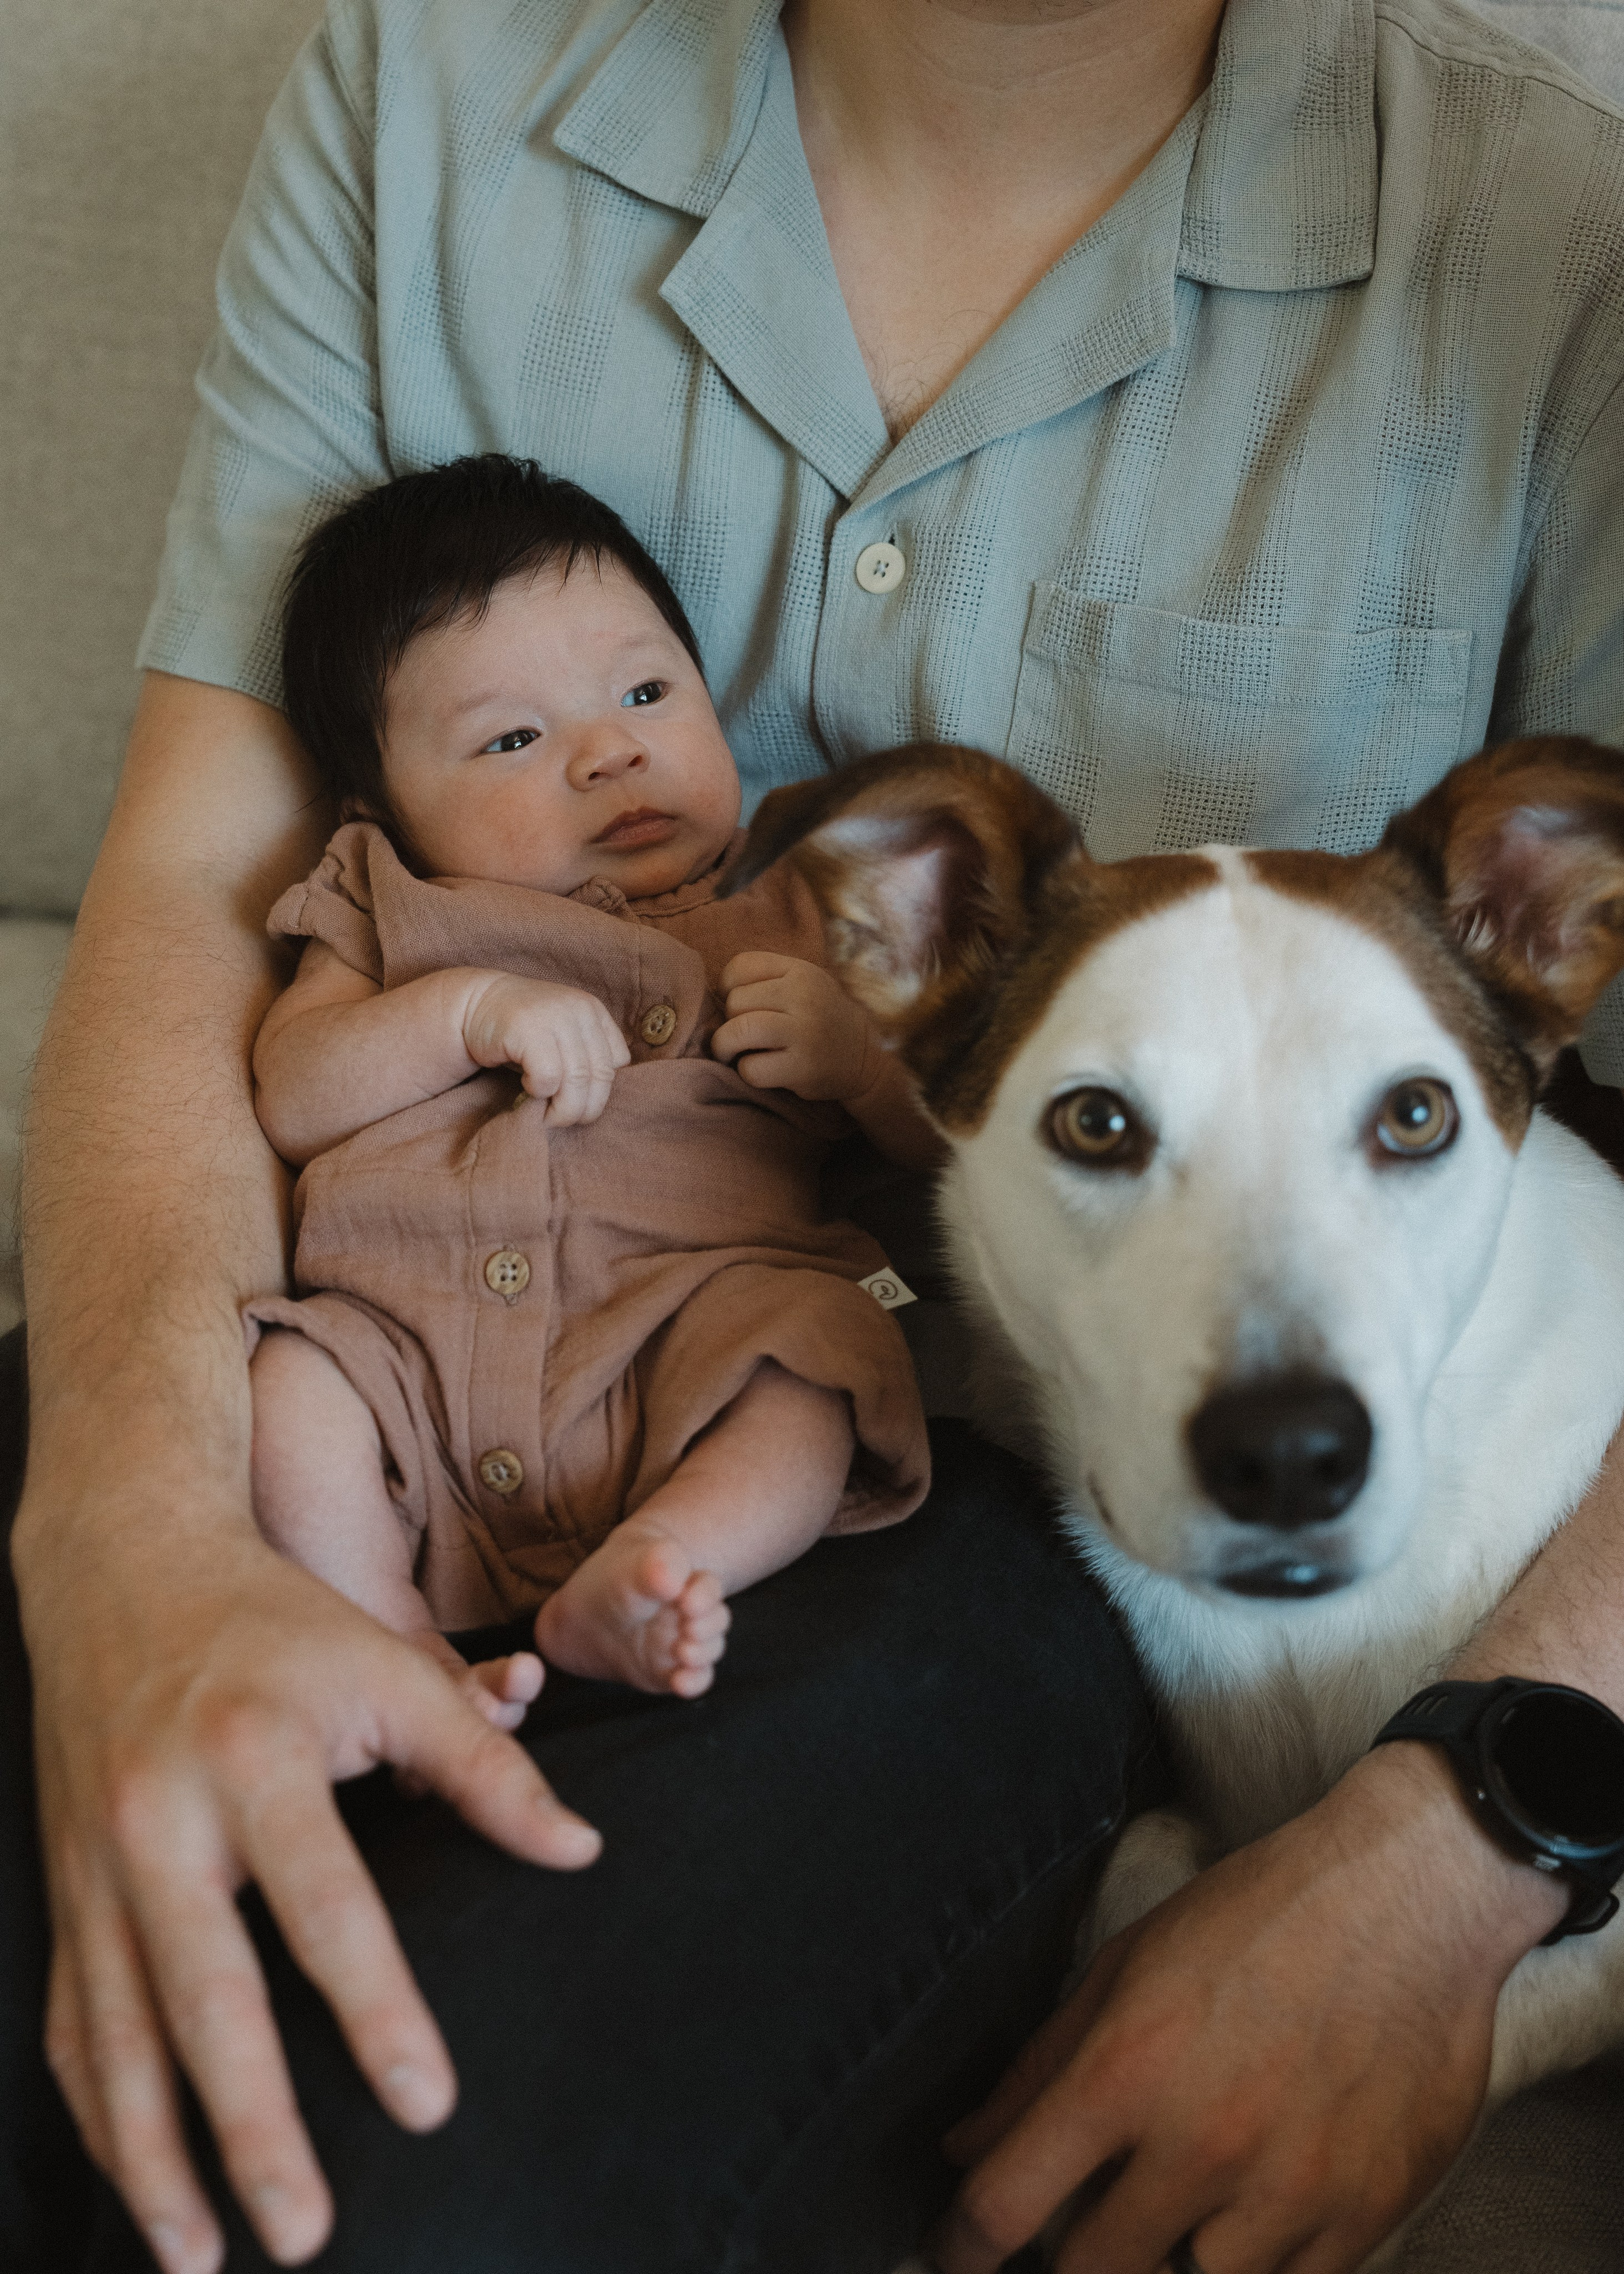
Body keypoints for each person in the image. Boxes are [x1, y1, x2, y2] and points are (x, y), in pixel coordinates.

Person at [7, 0, 1624, 2270]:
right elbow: (189, 891)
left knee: (414, 2179)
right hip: (319, 1329)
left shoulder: (1557, 224)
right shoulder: (425, 83)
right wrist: (128, 1532)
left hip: (898, 1465)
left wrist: (1464, 1841)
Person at [248, 456, 932, 1705]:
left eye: (644, 689)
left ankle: (662, 1561)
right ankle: (381, 1629)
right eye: (513, 736)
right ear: (380, 805)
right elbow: (294, 1090)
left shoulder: (792, 895)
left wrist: (859, 1062)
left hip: (687, 1330)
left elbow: (945, 1156)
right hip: (405, 1347)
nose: (610, 752)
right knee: (289, 1386)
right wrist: (462, 1012)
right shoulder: (384, 899)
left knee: (817, 1359)